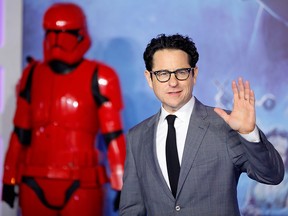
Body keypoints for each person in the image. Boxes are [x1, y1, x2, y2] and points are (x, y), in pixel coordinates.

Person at [119, 33, 284, 216]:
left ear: (194, 74)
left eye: (181, 72)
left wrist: (249, 133)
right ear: (150, 78)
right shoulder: (137, 136)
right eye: (163, 74)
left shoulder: (225, 124)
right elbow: (132, 208)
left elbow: (272, 176)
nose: (173, 82)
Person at [2, 3, 125, 216]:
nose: (58, 40)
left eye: (65, 33)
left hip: (82, 182)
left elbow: (113, 135)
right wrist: (8, 177)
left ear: (80, 34)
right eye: (52, 32)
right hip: (34, 181)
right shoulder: (31, 76)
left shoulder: (101, 76)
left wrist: (122, 181)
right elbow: (20, 132)